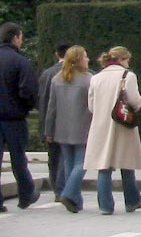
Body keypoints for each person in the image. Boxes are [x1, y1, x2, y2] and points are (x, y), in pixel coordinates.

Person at [83, 46, 141, 215]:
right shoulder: (128, 76)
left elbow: (91, 106)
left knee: (104, 166)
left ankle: (105, 205)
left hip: (101, 125)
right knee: (127, 164)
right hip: (122, 123)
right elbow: (135, 102)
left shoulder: (96, 78)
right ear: (122, 59)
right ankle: (132, 200)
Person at [45, 45, 92, 213]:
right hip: (83, 127)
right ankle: (68, 193)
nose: (88, 59)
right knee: (82, 163)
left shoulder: (57, 78)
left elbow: (52, 108)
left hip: (62, 128)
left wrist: (49, 130)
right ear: (78, 60)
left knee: (69, 163)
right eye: (85, 57)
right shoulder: (88, 80)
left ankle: (75, 201)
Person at [0, 21, 40, 211]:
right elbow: (28, 90)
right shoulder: (21, 61)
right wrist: (25, 106)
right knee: (18, 160)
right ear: (15, 37)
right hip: (14, 118)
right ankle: (26, 194)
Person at [38, 41, 71, 202]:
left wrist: (45, 127)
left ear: (57, 54)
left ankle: (57, 189)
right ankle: (64, 188)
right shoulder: (82, 73)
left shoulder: (47, 73)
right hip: (71, 123)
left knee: (54, 156)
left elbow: (43, 101)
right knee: (68, 156)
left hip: (51, 121)